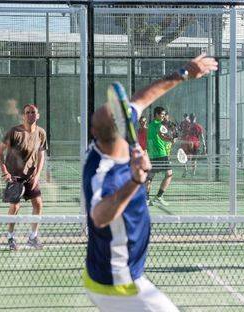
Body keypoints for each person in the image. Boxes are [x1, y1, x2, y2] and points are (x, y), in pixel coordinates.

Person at [82, 53, 217, 311]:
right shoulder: (102, 172)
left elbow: (145, 97)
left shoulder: (112, 134)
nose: (128, 111)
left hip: (113, 272)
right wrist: (135, 180)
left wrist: (185, 72)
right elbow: (99, 216)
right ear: (119, 129)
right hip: (116, 282)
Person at [0, 104, 47, 251]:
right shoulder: (14, 132)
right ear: (23, 116)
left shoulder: (41, 133)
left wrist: (37, 175)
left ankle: (33, 237)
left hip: (30, 176)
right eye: (27, 112)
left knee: (38, 204)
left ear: (38, 116)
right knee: (15, 207)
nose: (30, 114)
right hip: (14, 177)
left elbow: (41, 155)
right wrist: (5, 171)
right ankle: (11, 237)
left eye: (33, 112)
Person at [146, 106, 174, 207]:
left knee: (149, 177)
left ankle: (146, 199)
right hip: (161, 154)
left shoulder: (149, 125)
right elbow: (162, 136)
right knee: (169, 174)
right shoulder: (159, 125)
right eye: (161, 114)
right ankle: (159, 197)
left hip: (152, 154)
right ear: (156, 115)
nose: (163, 116)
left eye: (163, 115)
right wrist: (170, 139)